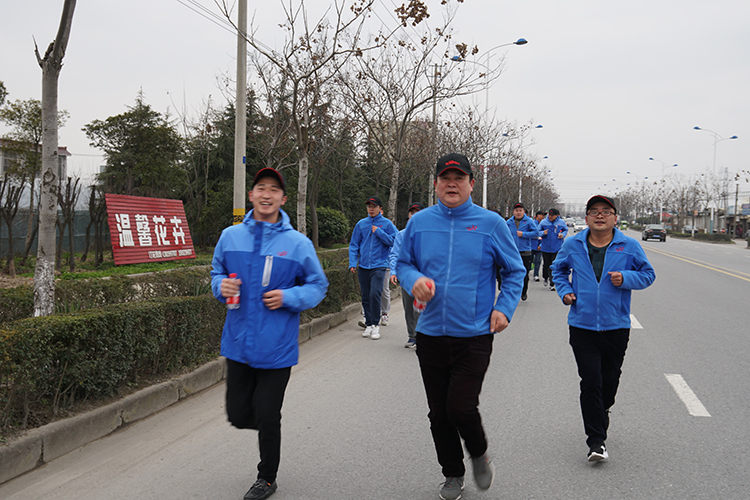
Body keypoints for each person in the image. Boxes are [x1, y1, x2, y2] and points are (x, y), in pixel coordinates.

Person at [397, 153, 525, 500]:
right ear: (436, 183)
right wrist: (414, 280)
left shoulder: (491, 223)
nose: (451, 184)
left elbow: (514, 271)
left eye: (459, 178)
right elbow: (403, 262)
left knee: (460, 407)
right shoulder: (420, 223)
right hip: (431, 334)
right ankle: (452, 473)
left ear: (471, 183)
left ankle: (479, 453)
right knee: (438, 413)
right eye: (445, 178)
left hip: (474, 335)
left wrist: (504, 308)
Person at [210, 167, 329, 500]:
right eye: (260, 188)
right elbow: (216, 272)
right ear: (251, 195)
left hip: (276, 347)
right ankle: (268, 431)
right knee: (237, 414)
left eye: (273, 190)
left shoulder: (297, 243)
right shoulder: (230, 236)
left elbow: (318, 285)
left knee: (266, 413)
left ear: (283, 198)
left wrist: (290, 297)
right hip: (237, 344)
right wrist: (222, 285)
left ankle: (267, 477)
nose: (266, 194)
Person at [551, 195, 655, 463]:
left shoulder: (628, 246)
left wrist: (627, 278)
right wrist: (565, 292)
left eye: (606, 211)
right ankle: (596, 442)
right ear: (586, 218)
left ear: (615, 218)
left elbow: (648, 274)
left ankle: (603, 409)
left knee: (609, 381)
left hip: (616, 326)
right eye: (594, 211)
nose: (600, 215)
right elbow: (558, 270)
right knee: (591, 382)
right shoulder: (573, 244)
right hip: (582, 326)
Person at [349, 195, 398, 340]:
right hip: (364, 265)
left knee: (375, 293)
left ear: (380, 209)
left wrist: (379, 232)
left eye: (374, 206)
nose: (371, 209)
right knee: (365, 295)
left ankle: (376, 325)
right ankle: (369, 324)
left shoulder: (387, 224)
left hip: (380, 265)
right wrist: (353, 263)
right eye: (369, 206)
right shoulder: (361, 224)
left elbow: (394, 241)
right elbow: (354, 245)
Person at [389, 201, 424, 349]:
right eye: (412, 213)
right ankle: (412, 336)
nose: (414, 215)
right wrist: (393, 272)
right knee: (409, 307)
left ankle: (422, 336)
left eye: (417, 212)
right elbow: (394, 255)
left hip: (423, 278)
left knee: (421, 308)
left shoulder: (429, 234)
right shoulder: (401, 235)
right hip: (406, 277)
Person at [506, 203, 541, 301]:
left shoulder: (529, 221)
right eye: (516, 211)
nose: (518, 213)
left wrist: (524, 234)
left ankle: (524, 291)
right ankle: (513, 292)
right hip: (512, 252)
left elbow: (536, 233)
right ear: (513, 212)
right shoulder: (509, 222)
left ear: (523, 212)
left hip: (525, 252)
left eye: (520, 210)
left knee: (524, 273)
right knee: (512, 273)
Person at [539, 208, 568, 291]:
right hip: (546, 247)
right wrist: (543, 233)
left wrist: (562, 234)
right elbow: (537, 231)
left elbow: (566, 230)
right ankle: (545, 277)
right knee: (546, 265)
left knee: (554, 265)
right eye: (549, 215)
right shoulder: (544, 222)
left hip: (557, 247)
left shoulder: (561, 222)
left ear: (557, 215)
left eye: (552, 215)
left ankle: (552, 283)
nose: (550, 216)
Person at [531, 211, 546, 282]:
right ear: (537, 215)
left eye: (544, 216)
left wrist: (541, 245)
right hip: (531, 246)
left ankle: (536, 275)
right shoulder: (532, 223)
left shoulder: (544, 225)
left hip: (539, 246)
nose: (543, 217)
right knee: (529, 261)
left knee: (538, 261)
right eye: (542, 215)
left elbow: (546, 236)